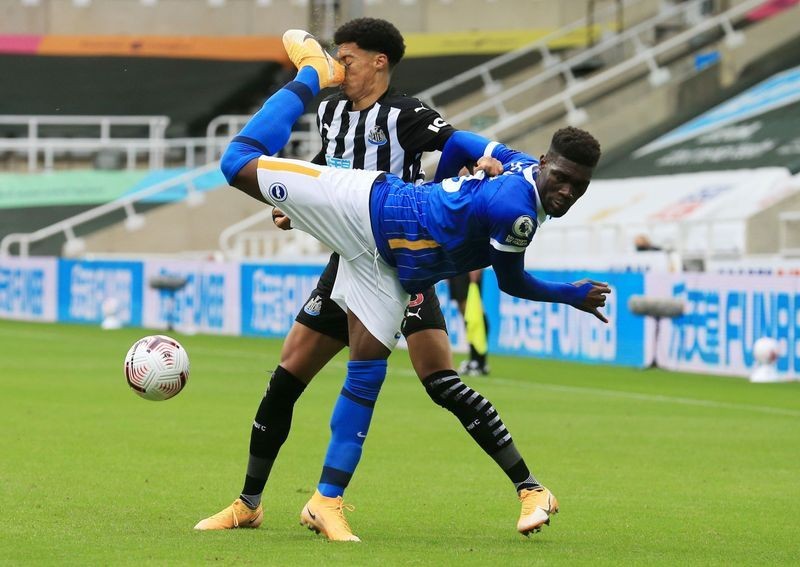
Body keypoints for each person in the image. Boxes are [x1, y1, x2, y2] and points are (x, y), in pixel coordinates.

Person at [201, 28, 610, 541]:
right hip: (366, 207)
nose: (568, 191)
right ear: (545, 164)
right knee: (236, 164)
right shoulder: (516, 205)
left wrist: (467, 175)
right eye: (563, 180)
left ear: (379, 63)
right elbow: (512, 276)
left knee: (375, 373)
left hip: (395, 264)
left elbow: (460, 144)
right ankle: (309, 70)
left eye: (579, 186)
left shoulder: (414, 117)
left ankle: (327, 501)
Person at [450, 269, 491, 376]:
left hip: (468, 266)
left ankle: (479, 360)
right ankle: (474, 359)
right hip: (456, 265)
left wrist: (476, 268)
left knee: (474, 311)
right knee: (465, 312)